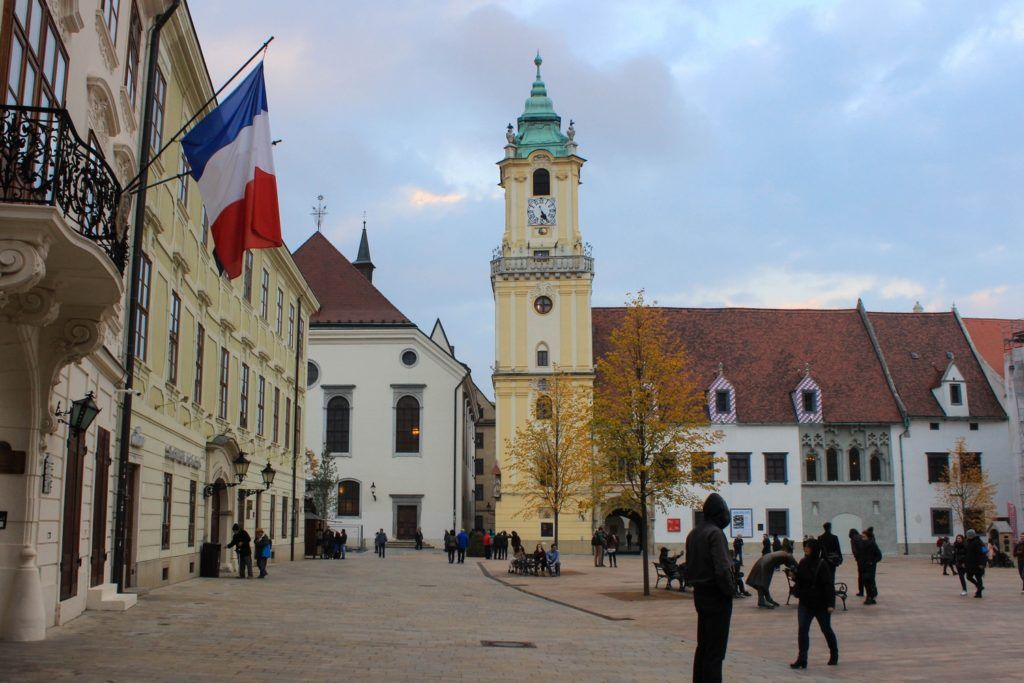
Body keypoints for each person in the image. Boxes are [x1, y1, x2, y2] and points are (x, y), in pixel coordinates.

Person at [685, 493, 735, 683]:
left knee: (703, 646)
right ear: (718, 513)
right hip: (716, 596)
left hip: (700, 594)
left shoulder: (694, 533)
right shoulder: (715, 533)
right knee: (716, 651)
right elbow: (722, 568)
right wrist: (730, 590)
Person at [788, 538, 839, 669]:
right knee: (803, 631)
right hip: (805, 602)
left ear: (814, 549)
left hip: (820, 604)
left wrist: (830, 604)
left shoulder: (822, 564)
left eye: (808, 547)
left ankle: (834, 653)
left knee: (826, 629)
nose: (805, 549)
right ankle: (802, 658)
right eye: (805, 547)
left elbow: (828, 585)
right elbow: (800, 578)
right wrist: (794, 575)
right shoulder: (803, 562)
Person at [858, 528, 882, 605]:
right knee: (865, 582)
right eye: (862, 537)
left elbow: (879, 556)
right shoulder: (862, 544)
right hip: (863, 566)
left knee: (869, 582)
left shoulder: (872, 544)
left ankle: (870, 597)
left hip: (870, 567)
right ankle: (871, 596)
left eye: (864, 537)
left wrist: (872, 562)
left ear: (868, 537)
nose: (862, 538)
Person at [964, 529, 986, 598]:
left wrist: (982, 563)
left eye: (968, 535)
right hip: (970, 564)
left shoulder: (978, 542)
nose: (967, 536)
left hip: (977, 564)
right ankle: (979, 586)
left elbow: (983, 553)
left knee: (978, 577)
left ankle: (979, 593)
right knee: (969, 577)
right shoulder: (969, 542)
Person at [848, 528, 864, 596]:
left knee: (860, 576)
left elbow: (854, 550)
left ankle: (861, 591)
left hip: (860, 559)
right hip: (865, 558)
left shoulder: (853, 539)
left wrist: (856, 557)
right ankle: (871, 592)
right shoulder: (861, 537)